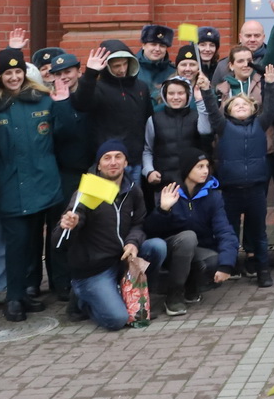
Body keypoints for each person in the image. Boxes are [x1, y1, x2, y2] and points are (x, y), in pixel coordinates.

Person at [0, 46, 64, 322]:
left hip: (44, 182)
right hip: (10, 185)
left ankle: (29, 292)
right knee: (17, 243)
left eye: (18, 71)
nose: (14, 77)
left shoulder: (43, 100)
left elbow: (61, 134)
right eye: (8, 73)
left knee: (33, 240)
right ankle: (14, 297)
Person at [56, 141, 168, 330]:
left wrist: (132, 243)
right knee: (117, 320)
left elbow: (138, 224)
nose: (113, 162)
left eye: (118, 157)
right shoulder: (88, 191)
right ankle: (82, 299)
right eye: (107, 158)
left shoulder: (132, 190)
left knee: (157, 247)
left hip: (121, 260)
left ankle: (129, 294)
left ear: (126, 163)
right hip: (94, 269)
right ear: (99, 165)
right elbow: (60, 239)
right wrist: (68, 225)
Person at [203, 64, 274, 285]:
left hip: (255, 189)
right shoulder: (223, 127)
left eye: (245, 104)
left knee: (259, 233)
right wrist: (207, 90)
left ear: (253, 108)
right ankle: (230, 265)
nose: (241, 106)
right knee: (230, 232)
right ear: (228, 110)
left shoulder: (260, 124)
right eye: (235, 104)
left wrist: (271, 85)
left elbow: (272, 108)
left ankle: (263, 270)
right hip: (230, 190)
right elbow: (211, 110)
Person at [142, 154, 237, 314]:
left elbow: (225, 230)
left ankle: (191, 286)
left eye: (207, 166)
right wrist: (163, 210)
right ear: (187, 170)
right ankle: (174, 295)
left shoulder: (213, 196)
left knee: (214, 260)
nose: (205, 171)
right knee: (188, 237)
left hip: (196, 251)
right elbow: (150, 229)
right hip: (169, 250)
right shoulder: (170, 191)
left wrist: (226, 265)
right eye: (200, 167)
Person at [40, 51, 92, 298]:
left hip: (90, 172)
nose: (63, 77)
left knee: (89, 226)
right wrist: (61, 104)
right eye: (58, 74)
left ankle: (83, 276)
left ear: (78, 72)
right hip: (63, 172)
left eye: (67, 72)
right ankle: (60, 282)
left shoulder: (87, 95)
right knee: (61, 226)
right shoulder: (50, 100)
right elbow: (60, 133)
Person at [73, 41, 153, 167]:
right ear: (106, 66)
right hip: (109, 160)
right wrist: (90, 74)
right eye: (116, 66)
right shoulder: (97, 88)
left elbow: (148, 119)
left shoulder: (141, 87)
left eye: (125, 64)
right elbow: (81, 104)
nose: (122, 69)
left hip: (136, 159)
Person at [142, 76, 212, 193]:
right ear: (165, 95)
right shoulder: (154, 120)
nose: (176, 97)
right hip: (164, 184)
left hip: (193, 184)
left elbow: (205, 131)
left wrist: (200, 101)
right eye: (171, 93)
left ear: (188, 95)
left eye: (180, 93)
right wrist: (149, 171)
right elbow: (148, 150)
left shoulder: (197, 116)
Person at [136, 24, 177, 92]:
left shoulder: (173, 72)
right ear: (143, 45)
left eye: (162, 46)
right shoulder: (132, 67)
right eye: (153, 44)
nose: (157, 49)